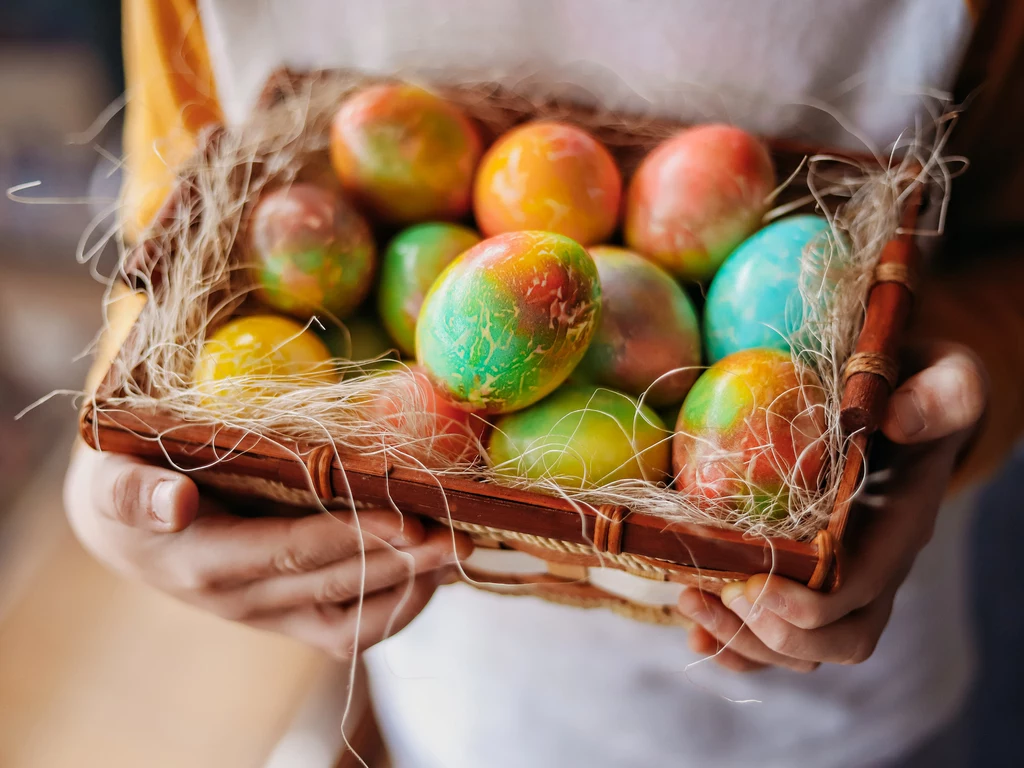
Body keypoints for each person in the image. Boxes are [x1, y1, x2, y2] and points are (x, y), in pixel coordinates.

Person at [66, 1, 1024, 765]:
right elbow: (179, 237)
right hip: (462, 699)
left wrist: (932, 411)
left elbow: (1005, 252)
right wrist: (129, 475)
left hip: (833, 718)